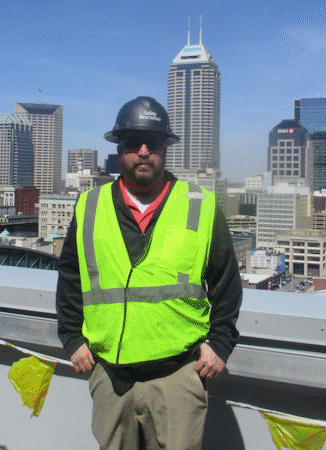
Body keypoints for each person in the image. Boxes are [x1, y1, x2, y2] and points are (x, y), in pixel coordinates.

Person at [56, 96, 242, 450]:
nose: (143, 151)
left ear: (165, 148)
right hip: (110, 376)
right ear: (119, 150)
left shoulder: (199, 206)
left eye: (152, 143)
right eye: (132, 143)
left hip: (178, 376)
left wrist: (220, 345)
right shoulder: (89, 206)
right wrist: (71, 338)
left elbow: (226, 284)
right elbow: (70, 277)